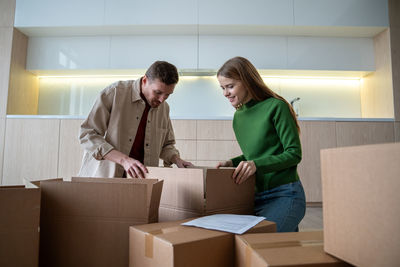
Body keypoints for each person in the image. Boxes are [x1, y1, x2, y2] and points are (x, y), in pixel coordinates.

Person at [216, 57, 306, 232]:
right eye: (222, 88)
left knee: (263, 245)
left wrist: (255, 164)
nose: (225, 93)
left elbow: (294, 153)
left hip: (285, 194)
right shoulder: (238, 117)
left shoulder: (276, 107)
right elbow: (254, 156)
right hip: (254, 195)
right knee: (276, 252)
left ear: (247, 81)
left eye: (230, 86)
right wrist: (231, 163)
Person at [78, 61, 193, 178]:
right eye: (158, 92)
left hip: (142, 181)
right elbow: (87, 134)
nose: (162, 100)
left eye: (168, 95)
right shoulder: (114, 93)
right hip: (105, 179)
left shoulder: (164, 108)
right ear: (144, 81)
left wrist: (176, 159)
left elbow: (166, 146)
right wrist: (124, 160)